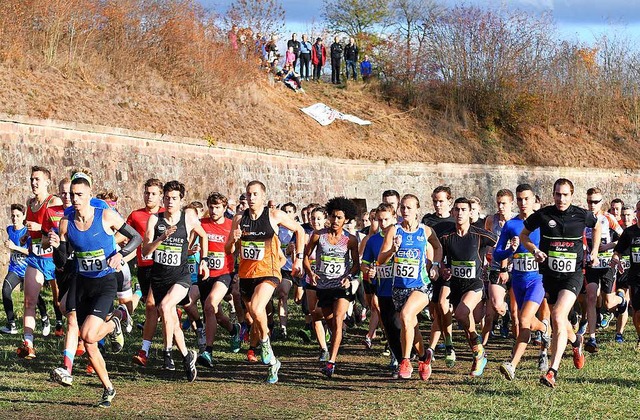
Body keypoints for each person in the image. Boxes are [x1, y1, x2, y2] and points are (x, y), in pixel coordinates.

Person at [49, 171, 142, 407]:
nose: (75, 199)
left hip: (104, 283)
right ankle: (108, 388)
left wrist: (120, 255)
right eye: (72, 195)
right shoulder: (66, 223)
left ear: (90, 195)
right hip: (81, 281)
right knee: (88, 343)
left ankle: (117, 319)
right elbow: (61, 263)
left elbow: (136, 238)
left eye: (80, 194)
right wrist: (57, 247)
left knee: (89, 334)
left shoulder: (106, 216)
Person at [520, 178, 599, 388]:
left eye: (565, 195)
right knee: (560, 320)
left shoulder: (581, 215)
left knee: (557, 316)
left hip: (573, 275)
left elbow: (598, 225)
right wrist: (534, 250)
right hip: (550, 276)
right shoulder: (544, 215)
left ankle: (552, 371)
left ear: (571, 195)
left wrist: (594, 251)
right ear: (553, 194)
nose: (561, 198)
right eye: (557, 194)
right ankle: (576, 341)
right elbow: (524, 235)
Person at [225, 180, 305, 384]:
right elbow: (228, 251)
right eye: (248, 194)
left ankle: (265, 343)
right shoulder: (238, 219)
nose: (251, 198)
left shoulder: (273, 215)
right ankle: (273, 364)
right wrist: (233, 240)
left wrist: (299, 258)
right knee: (254, 314)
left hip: (269, 272)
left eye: (255, 194)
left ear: (262, 196)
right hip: (246, 275)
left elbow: (300, 231)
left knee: (257, 307)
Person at [141, 180, 208, 381]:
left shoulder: (187, 217)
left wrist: (203, 261)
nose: (170, 202)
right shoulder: (155, 220)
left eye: (174, 198)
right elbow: (145, 251)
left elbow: (204, 236)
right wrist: (161, 238)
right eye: (167, 198)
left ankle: (167, 352)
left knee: (165, 306)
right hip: (159, 278)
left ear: (181, 200)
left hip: (181, 276)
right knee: (172, 319)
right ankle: (188, 355)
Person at [378, 194, 443, 381]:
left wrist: (435, 266)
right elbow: (381, 260)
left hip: (421, 286)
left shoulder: (426, 231)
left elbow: (437, 248)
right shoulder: (394, 231)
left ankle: (405, 361)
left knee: (406, 315)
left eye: (409, 208)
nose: (405, 211)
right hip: (399, 288)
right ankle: (424, 358)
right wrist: (392, 251)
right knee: (411, 326)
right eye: (403, 208)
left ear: (417, 210)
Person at [495, 184, 550, 380]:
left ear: (534, 200)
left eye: (526, 199)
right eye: (519, 199)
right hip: (518, 280)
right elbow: (496, 254)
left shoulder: (543, 223)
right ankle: (545, 329)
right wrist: (510, 250)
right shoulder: (511, 225)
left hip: (538, 280)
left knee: (525, 320)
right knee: (523, 320)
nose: (523, 203)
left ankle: (512, 365)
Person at [440, 197, 497, 377]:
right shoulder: (446, 236)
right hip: (456, 284)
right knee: (465, 322)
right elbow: (440, 259)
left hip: (475, 283)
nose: (459, 213)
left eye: (463, 209)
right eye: (456, 209)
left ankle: (478, 347)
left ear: (470, 213)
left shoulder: (480, 235)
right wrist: (443, 269)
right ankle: (478, 354)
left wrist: (505, 260)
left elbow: (499, 244)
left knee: (462, 313)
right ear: (453, 212)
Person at [304, 197, 360, 378]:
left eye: (339, 218)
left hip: (340, 285)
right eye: (333, 217)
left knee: (337, 318)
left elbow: (356, 265)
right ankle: (341, 333)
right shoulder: (318, 235)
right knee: (330, 321)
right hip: (323, 286)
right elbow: (305, 256)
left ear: (346, 220)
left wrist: (349, 277)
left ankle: (331, 362)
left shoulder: (350, 240)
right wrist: (311, 273)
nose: (335, 221)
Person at [17, 166, 63, 359]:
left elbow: (59, 231)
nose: (34, 183)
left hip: (53, 257)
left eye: (37, 179)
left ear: (47, 182)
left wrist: (40, 228)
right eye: (32, 179)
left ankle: (78, 339)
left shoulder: (54, 201)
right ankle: (28, 344)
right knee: (29, 301)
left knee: (62, 303)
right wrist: (26, 235)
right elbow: (32, 227)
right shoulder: (30, 203)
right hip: (36, 258)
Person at [196, 192, 242, 367]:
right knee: (216, 313)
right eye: (211, 207)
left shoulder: (231, 226)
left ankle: (208, 351)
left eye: (217, 207)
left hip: (225, 273)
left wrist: (237, 271)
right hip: (205, 274)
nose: (214, 211)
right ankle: (233, 329)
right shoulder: (202, 224)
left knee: (209, 304)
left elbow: (238, 250)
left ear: (224, 208)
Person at [583, 187, 624, 353]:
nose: (592, 204)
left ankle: (622, 300)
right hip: (592, 264)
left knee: (608, 302)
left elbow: (623, 236)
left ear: (601, 202)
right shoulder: (584, 218)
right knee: (591, 298)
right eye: (589, 201)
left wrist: (608, 246)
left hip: (607, 264)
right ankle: (592, 338)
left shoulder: (608, 218)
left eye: (596, 201)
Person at [128, 178, 165, 367]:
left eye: (153, 193)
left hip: (162, 267)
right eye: (146, 192)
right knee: (152, 306)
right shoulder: (135, 215)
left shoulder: (166, 216)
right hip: (143, 267)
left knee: (151, 305)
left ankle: (144, 351)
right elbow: (124, 235)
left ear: (161, 196)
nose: (149, 196)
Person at [2, 204, 46, 334]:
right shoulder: (9, 229)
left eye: (18, 216)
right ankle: (11, 324)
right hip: (14, 269)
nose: (15, 218)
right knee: (5, 290)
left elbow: (29, 251)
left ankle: (45, 318)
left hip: (28, 269)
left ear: (24, 216)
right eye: (13, 216)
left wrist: (14, 247)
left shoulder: (28, 232)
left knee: (35, 297)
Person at [611, 201, 640, 350]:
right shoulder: (629, 233)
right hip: (635, 277)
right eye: (639, 210)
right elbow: (617, 251)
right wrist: (617, 259)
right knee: (636, 312)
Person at [612, 205, 634, 343]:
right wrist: (615, 259)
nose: (626, 218)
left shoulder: (635, 231)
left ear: (634, 216)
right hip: (623, 271)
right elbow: (615, 250)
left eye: (628, 215)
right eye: (624, 215)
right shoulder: (619, 232)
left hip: (636, 271)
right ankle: (619, 333)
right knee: (623, 299)